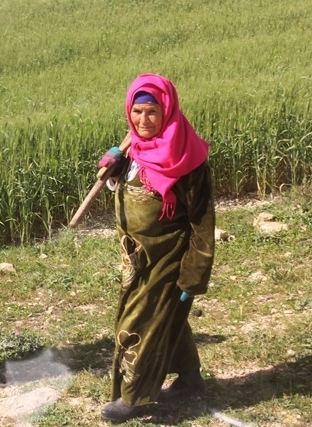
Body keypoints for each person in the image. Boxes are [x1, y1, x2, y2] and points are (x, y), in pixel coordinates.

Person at [98, 74, 215, 422]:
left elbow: (202, 222)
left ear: (167, 112)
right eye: (137, 111)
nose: (143, 120)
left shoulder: (187, 158)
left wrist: (192, 276)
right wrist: (113, 168)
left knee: (139, 322)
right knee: (167, 317)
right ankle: (190, 378)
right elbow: (128, 188)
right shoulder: (135, 148)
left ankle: (133, 397)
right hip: (135, 257)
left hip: (169, 257)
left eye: (152, 112)